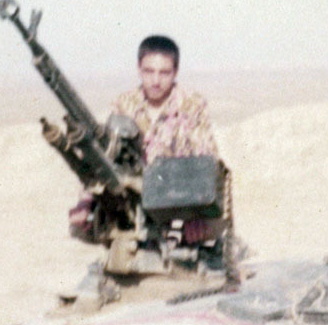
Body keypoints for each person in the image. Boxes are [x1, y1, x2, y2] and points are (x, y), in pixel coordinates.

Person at [69, 35, 220, 244]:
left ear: (175, 72)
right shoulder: (124, 104)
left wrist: (198, 212)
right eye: (149, 71)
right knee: (82, 224)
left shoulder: (192, 105)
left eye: (164, 73)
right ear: (139, 69)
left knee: (210, 227)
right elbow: (105, 156)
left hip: (180, 198)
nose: (156, 81)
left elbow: (206, 160)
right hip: (135, 199)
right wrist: (86, 200)